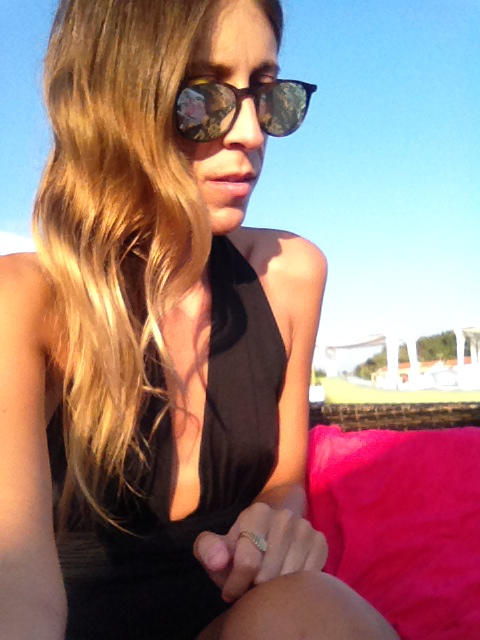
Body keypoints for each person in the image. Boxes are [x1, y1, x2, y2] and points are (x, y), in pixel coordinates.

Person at [0, 0, 400, 638]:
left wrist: (276, 524)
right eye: (201, 97)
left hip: (236, 621)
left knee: (311, 605)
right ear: (110, 102)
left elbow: (282, 480)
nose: (251, 134)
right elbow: (14, 584)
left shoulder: (289, 275)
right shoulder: (25, 302)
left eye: (267, 96)